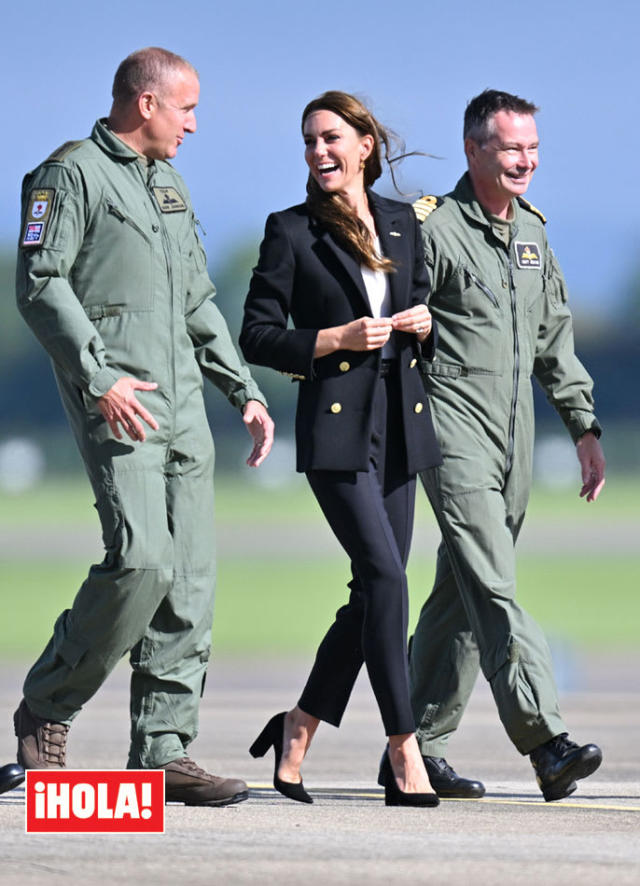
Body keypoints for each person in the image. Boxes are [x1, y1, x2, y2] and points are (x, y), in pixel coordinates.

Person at [13, 47, 274, 807]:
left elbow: (197, 302)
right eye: (186, 109)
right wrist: (98, 378)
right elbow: (37, 282)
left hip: (185, 410)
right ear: (146, 104)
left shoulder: (168, 184)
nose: (194, 125)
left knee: (188, 580)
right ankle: (47, 709)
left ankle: (163, 750)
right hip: (117, 404)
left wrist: (243, 392)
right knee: (141, 564)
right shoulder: (68, 175)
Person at [240, 91, 442, 808]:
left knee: (370, 595)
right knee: (387, 579)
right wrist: (333, 339)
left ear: (364, 144)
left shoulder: (402, 222)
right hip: (336, 429)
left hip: (402, 422)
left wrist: (419, 324)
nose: (318, 152)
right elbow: (258, 333)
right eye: (308, 142)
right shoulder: (290, 230)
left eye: (331, 138)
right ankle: (403, 750)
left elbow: (429, 320)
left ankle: (298, 728)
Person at [404, 89, 605, 802]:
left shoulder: (532, 234)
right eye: (510, 148)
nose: (525, 161)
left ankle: (415, 747)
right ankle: (546, 742)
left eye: (533, 150)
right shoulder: (433, 229)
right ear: (473, 150)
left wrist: (582, 425)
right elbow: (390, 320)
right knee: (492, 584)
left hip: (513, 435)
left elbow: (554, 335)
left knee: (460, 596)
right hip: (452, 427)